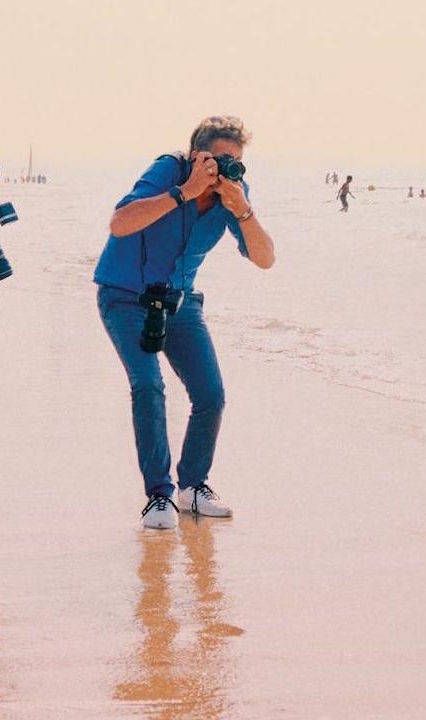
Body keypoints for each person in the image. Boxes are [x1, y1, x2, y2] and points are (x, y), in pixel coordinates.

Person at [94, 115, 275, 530]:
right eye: (219, 159)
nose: (227, 168)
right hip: (125, 296)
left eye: (237, 161)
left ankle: (193, 487)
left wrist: (243, 210)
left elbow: (265, 259)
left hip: (178, 302)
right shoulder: (169, 171)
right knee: (148, 385)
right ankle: (159, 496)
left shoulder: (234, 194)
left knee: (211, 394)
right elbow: (120, 223)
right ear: (197, 155)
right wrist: (184, 192)